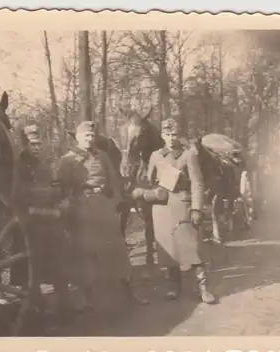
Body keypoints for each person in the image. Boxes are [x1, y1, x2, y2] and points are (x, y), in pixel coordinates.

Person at [55, 121, 148, 310]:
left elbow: (113, 180)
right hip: (82, 208)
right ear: (78, 138)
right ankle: (87, 298)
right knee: (86, 253)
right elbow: (61, 187)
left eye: (92, 136)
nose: (89, 139)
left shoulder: (103, 156)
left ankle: (129, 291)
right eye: (86, 136)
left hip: (105, 207)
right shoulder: (67, 160)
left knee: (117, 250)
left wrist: (116, 203)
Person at [135, 118, 216, 304]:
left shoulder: (189, 155)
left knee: (193, 247)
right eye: (168, 134)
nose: (171, 138)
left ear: (180, 136)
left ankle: (203, 288)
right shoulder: (155, 156)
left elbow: (197, 183)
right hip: (162, 208)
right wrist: (151, 193)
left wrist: (196, 207)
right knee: (168, 249)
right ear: (162, 136)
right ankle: (174, 285)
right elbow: (150, 180)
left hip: (183, 204)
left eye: (175, 135)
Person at [15, 123, 73, 318]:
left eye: (39, 143)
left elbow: (58, 185)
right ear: (25, 145)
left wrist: (59, 195)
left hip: (52, 220)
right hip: (31, 222)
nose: (37, 148)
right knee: (34, 267)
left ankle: (63, 305)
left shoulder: (47, 163)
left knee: (59, 261)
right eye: (33, 144)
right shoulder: (19, 165)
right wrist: (49, 193)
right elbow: (21, 193)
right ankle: (36, 307)